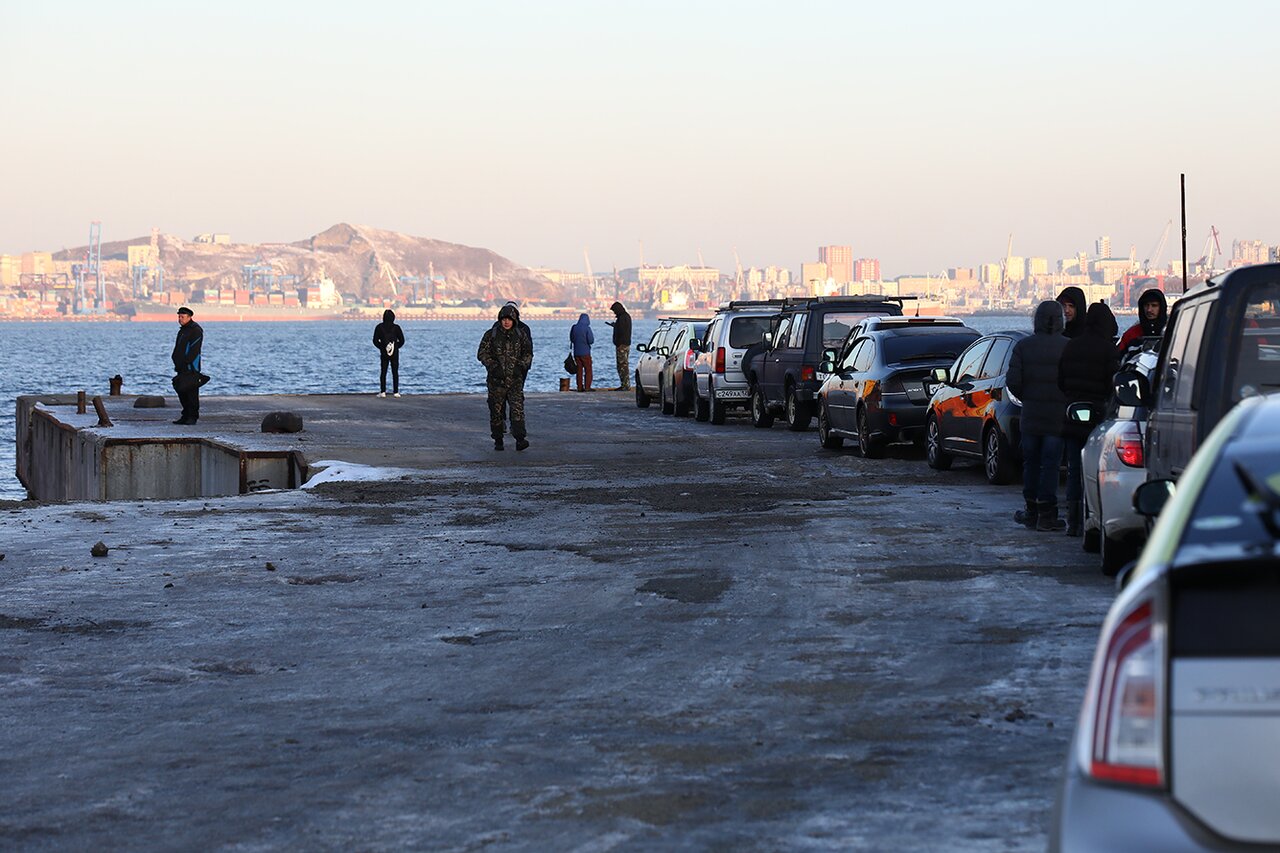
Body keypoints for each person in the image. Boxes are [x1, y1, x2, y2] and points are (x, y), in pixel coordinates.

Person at [1058, 302, 1121, 536]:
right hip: (1099, 419)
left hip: (1073, 416)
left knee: (1074, 470)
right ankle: (1091, 519)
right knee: (1098, 472)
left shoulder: (1071, 346)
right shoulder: (1108, 350)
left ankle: (1072, 522)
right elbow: (1113, 385)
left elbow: (1061, 381)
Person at [1007, 300, 1070, 531]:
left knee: (1031, 463)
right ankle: (1047, 513)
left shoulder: (1023, 346)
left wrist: (1029, 397)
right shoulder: (1068, 346)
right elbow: (1072, 381)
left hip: (1031, 417)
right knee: (1051, 465)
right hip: (1057, 418)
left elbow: (1013, 382)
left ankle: (1031, 510)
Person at [477, 304, 533, 451]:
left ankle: (520, 439)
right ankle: (498, 439)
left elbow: (528, 353)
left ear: (514, 320)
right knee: (496, 411)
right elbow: (482, 353)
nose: (506, 322)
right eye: (504, 319)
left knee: (517, 410)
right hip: (496, 381)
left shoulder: (521, 335)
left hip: (515, 380)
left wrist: (521, 366)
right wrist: (493, 366)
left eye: (509, 319)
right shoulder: (491, 334)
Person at [171, 306, 204, 425]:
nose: (180, 319)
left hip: (191, 368)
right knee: (181, 391)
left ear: (189, 317)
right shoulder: (182, 330)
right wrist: (175, 360)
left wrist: (187, 362)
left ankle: (192, 417)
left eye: (182, 317)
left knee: (191, 393)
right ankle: (185, 415)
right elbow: (178, 348)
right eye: (179, 316)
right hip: (180, 367)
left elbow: (195, 349)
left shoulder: (196, 330)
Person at [1117, 288, 1168, 353]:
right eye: (1146, 305)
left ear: (1162, 308)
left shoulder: (1172, 332)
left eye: (1154, 305)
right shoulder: (1130, 335)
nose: (1149, 309)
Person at [372, 309, 405, 397]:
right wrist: (397, 347)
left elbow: (375, 340)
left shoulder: (379, 327)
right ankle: (396, 392)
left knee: (383, 371)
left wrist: (382, 347)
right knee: (395, 372)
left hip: (383, 352)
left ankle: (383, 392)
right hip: (395, 352)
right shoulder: (396, 327)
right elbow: (402, 340)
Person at [605, 301, 632, 390]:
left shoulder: (622, 318)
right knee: (624, 365)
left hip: (621, 344)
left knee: (622, 365)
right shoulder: (626, 316)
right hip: (625, 343)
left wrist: (615, 326)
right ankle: (625, 384)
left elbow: (621, 330)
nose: (614, 313)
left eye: (614, 311)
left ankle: (625, 385)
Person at [569, 312, 594, 391]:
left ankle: (579, 387)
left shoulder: (574, 327)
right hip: (586, 352)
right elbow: (591, 340)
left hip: (576, 352)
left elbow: (572, 339)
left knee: (579, 370)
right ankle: (587, 387)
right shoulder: (587, 328)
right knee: (588, 370)